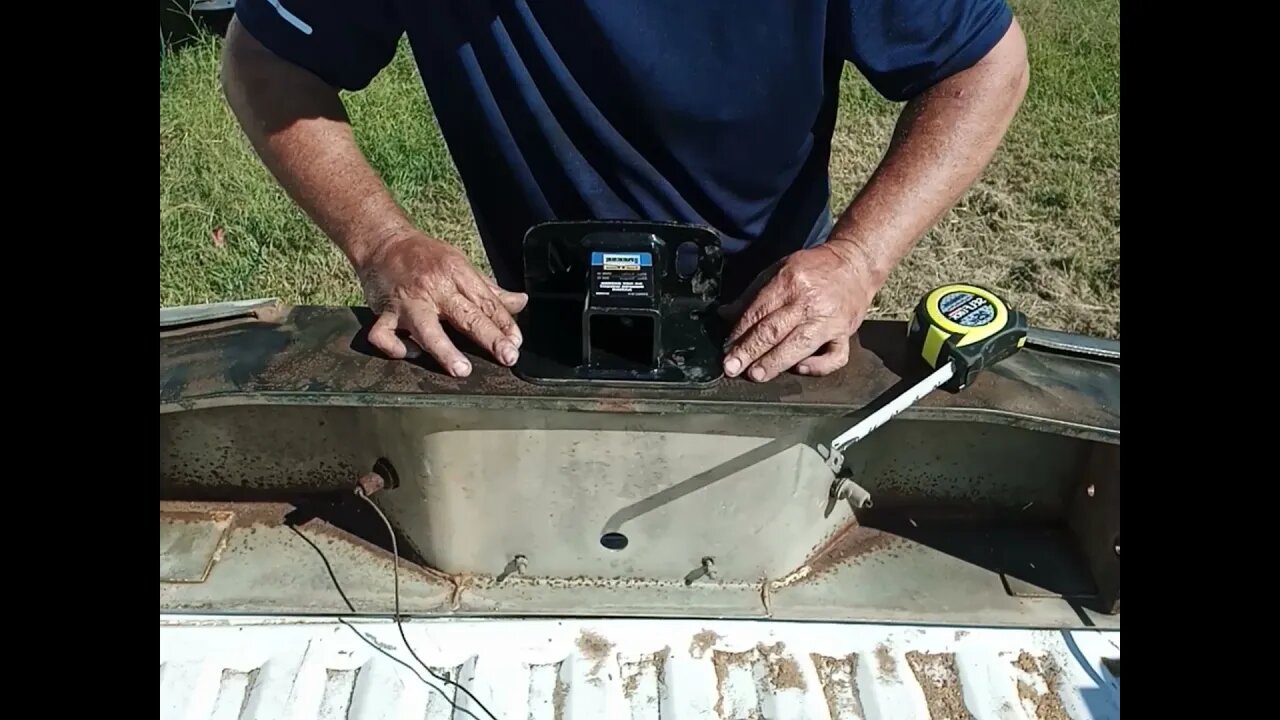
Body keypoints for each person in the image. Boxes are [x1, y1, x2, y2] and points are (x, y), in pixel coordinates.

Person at [222, 0, 1028, 383]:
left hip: (768, 328)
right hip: (533, 331)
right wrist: (381, 240)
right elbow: (265, 60)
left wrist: (856, 259)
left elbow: (984, 62)